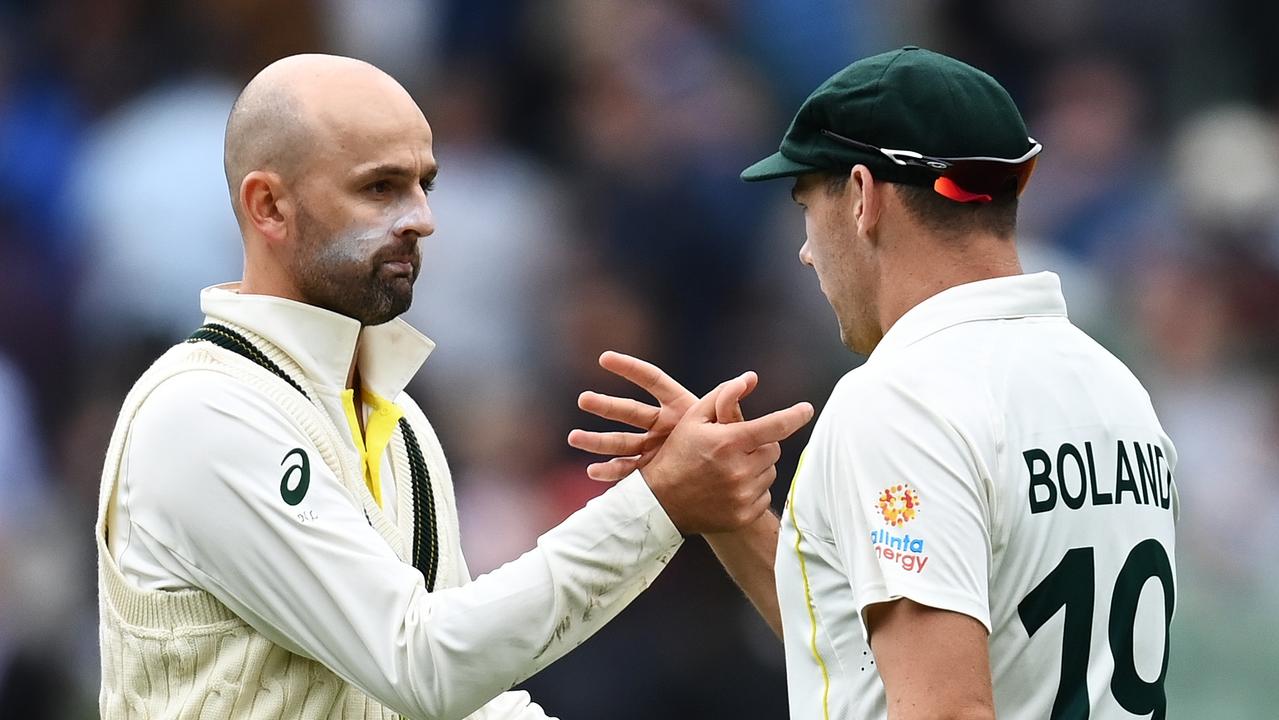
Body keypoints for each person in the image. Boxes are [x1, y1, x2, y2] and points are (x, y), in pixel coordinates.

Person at [95, 53, 815, 720]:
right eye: (380, 187)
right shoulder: (204, 411)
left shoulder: (393, 414)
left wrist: (664, 503)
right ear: (269, 207)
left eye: (423, 184)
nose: (423, 219)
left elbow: (465, 695)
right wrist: (655, 505)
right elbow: (425, 665)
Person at [572, 47, 1178, 719]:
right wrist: (732, 516)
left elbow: (943, 709)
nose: (804, 250)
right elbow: (876, 661)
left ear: (861, 196)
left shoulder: (902, 399)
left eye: (806, 205)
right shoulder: (1113, 387)